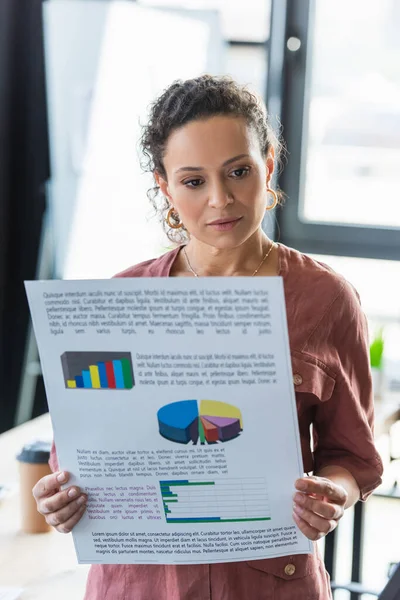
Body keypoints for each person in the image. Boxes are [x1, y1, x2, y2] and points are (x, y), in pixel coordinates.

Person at [32, 75, 383, 599]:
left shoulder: (326, 299)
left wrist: (335, 492)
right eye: (194, 181)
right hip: (140, 584)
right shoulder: (117, 301)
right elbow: (78, 456)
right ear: (165, 186)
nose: (221, 199)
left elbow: (354, 457)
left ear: (268, 163)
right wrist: (59, 496)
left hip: (270, 583)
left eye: (238, 172)